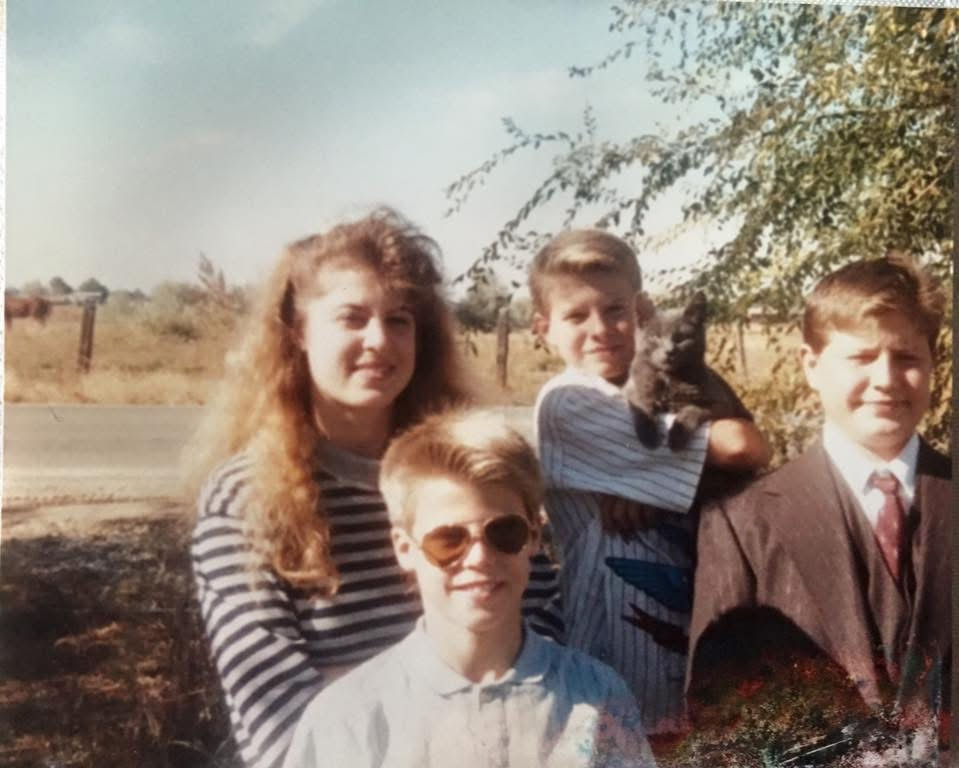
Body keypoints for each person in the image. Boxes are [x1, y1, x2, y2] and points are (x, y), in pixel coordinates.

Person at [189, 208, 562, 768]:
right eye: (352, 318)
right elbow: (282, 733)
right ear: (298, 331)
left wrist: (354, 688)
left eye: (399, 320)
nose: (379, 341)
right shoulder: (245, 501)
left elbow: (544, 655)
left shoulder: (473, 472)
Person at [283, 409, 657, 768]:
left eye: (504, 533)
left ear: (533, 536)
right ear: (405, 549)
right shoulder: (349, 719)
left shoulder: (595, 698)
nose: (479, 558)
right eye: (449, 539)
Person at [687, 255, 950, 738]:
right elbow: (718, 719)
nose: (886, 378)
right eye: (862, 358)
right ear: (811, 365)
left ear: (933, 362)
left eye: (907, 357)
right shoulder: (742, 523)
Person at [528, 229, 770, 735]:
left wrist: (653, 493)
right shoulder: (569, 402)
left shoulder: (656, 380)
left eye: (615, 310)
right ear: (543, 328)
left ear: (641, 312)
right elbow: (739, 447)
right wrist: (686, 475)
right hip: (620, 642)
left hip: (695, 620)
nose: (601, 329)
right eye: (576, 316)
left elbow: (754, 446)